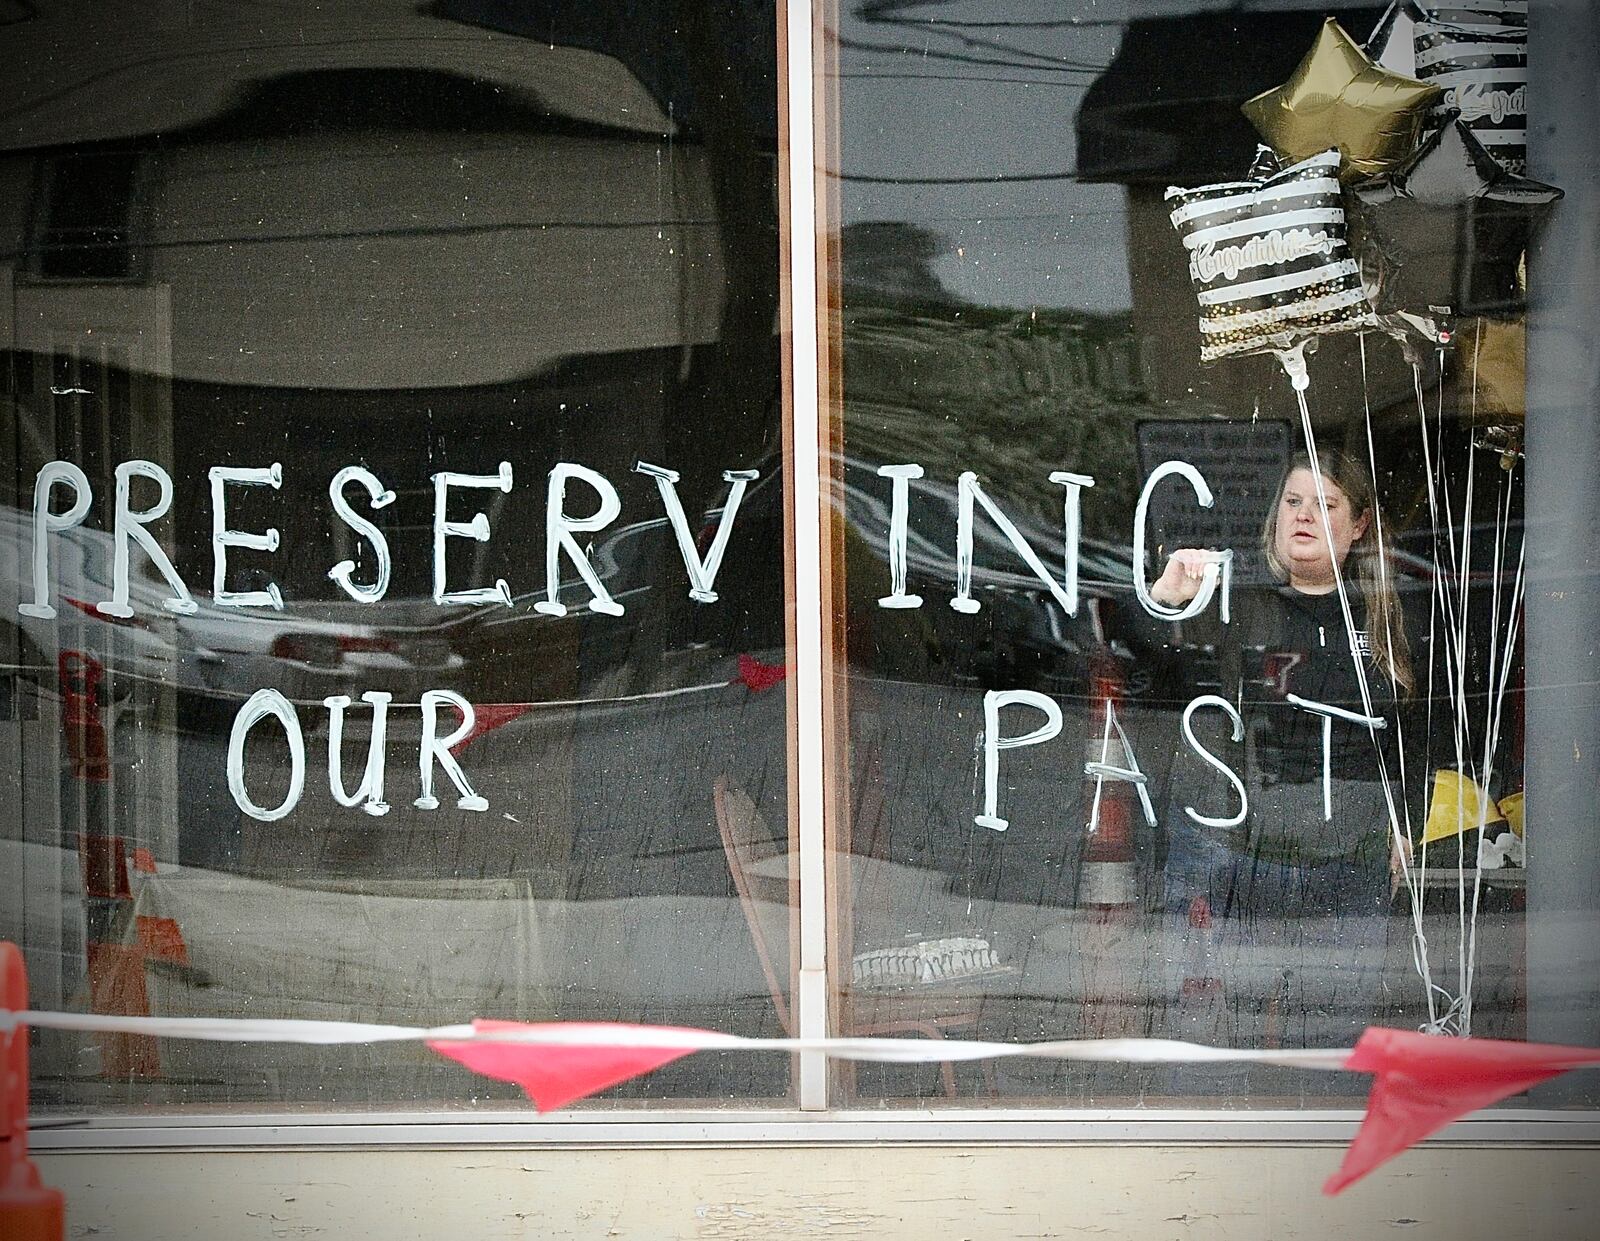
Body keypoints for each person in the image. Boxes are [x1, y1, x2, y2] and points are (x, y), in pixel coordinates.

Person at [1151, 448, 1423, 1078]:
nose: (1304, 516)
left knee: (1334, 1044)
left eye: (1325, 504)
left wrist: (1406, 823)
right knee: (1229, 1041)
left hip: (1351, 855)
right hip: (1247, 853)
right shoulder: (1234, 602)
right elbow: (1161, 674)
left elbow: (1414, 733)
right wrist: (1168, 603)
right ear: (1274, 516)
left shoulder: (1387, 615)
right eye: (1293, 502)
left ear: (1359, 525)